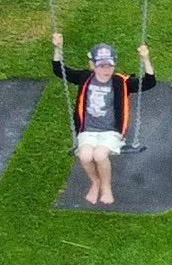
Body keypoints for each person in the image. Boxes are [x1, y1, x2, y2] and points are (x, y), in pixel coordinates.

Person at [52, 32, 158, 206]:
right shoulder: (84, 78)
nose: (106, 70)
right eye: (101, 66)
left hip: (111, 132)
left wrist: (146, 59)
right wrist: (58, 48)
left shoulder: (121, 82)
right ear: (92, 65)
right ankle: (95, 182)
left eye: (110, 65)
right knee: (85, 156)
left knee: (100, 155)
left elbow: (149, 83)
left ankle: (106, 188)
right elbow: (60, 70)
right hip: (88, 131)